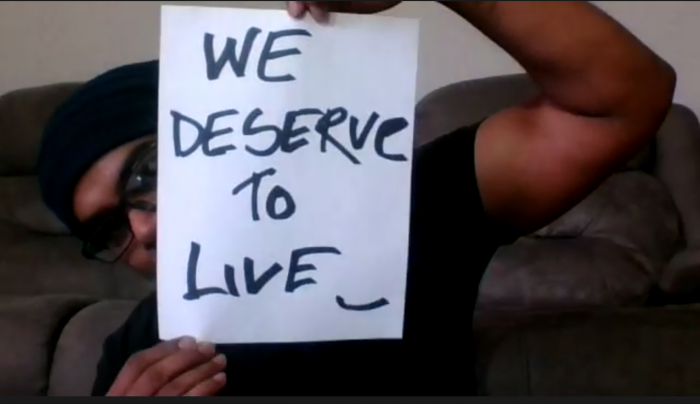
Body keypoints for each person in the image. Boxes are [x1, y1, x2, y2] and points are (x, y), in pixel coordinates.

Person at [36, 0, 675, 396]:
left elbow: (625, 99)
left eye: (145, 173)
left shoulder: (409, 204)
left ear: (226, 127)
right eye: (105, 231)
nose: (140, 231)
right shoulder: (136, 351)